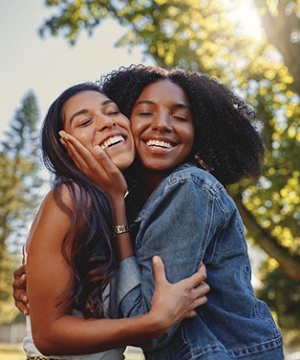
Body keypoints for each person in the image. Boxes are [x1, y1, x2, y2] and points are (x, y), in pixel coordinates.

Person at [14, 65, 284, 359]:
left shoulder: (184, 187)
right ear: (64, 144)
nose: (162, 125)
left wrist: (116, 204)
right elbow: (55, 326)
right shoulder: (81, 200)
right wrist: (40, 288)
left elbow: (145, 318)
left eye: (181, 117)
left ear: (200, 132)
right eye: (144, 113)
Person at [18, 81, 209, 360]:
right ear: (65, 147)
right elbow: (47, 335)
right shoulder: (69, 199)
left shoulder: (115, 206)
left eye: (113, 111)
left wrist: (117, 201)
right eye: (84, 121)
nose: (107, 123)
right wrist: (154, 323)